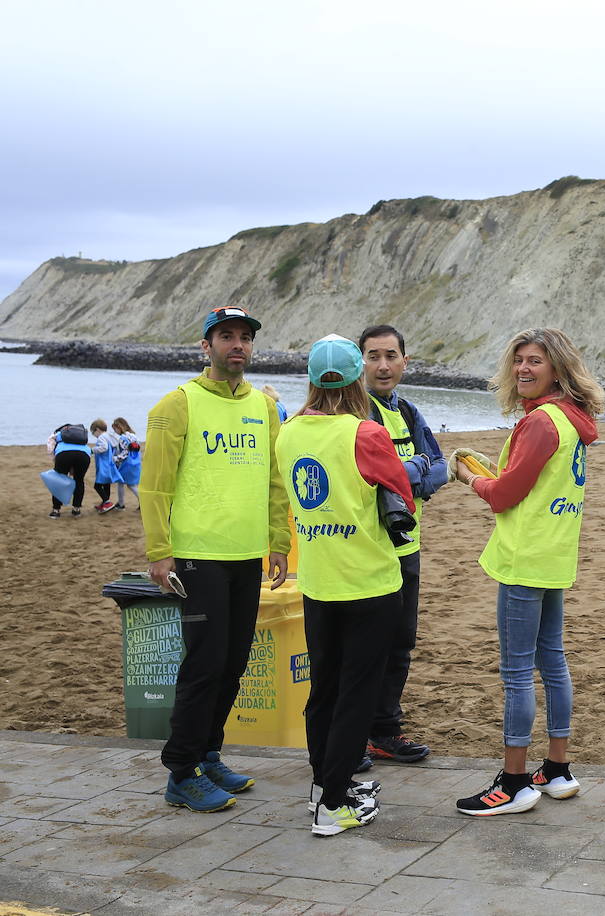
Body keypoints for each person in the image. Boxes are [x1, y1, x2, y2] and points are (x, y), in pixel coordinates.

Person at [141, 306, 290, 813]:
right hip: (196, 557)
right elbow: (155, 484)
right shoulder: (177, 403)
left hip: (246, 555)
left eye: (245, 337)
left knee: (233, 664)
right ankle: (181, 772)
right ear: (206, 346)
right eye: (226, 336)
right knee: (204, 665)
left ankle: (209, 755)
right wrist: (160, 552)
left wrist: (278, 541)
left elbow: (274, 479)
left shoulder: (264, 407)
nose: (237, 345)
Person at [451, 327, 604, 816]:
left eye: (534, 361)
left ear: (557, 368)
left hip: (525, 557)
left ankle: (515, 780)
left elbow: (504, 495)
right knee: (552, 661)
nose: (523, 369)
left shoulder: (541, 423)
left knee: (518, 670)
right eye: (518, 360)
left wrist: (469, 475)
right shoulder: (572, 420)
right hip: (555, 554)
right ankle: (556, 768)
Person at [278, 335, 413, 836]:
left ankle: (322, 786)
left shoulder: (288, 433)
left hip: (318, 581)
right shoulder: (365, 433)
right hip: (369, 582)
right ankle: (333, 803)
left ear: (312, 380)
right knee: (357, 694)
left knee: (323, 692)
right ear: (358, 376)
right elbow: (403, 495)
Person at [358, 324, 450, 767]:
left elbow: (440, 469)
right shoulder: (356, 413)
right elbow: (368, 474)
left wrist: (406, 471)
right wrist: (412, 470)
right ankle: (353, 736)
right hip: (365, 550)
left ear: (404, 362)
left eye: (391, 355)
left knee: (400, 644)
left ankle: (384, 731)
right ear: (360, 363)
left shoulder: (408, 412)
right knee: (364, 647)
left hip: (407, 546)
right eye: (373, 356)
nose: (382, 365)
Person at [46, 423, 91, 518]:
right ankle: (76, 509)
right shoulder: (80, 435)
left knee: (58, 481)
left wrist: (55, 459)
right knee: (79, 480)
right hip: (84, 455)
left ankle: (56, 510)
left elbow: (50, 447)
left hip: (63, 454)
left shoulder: (59, 434)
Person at [89, 419, 123, 514]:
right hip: (109, 463)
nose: (94, 435)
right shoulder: (109, 436)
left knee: (97, 485)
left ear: (98, 430)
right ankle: (105, 502)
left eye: (93, 432)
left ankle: (107, 502)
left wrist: (92, 450)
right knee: (106, 484)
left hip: (104, 464)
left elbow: (104, 447)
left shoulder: (101, 437)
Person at [111, 417, 141, 509]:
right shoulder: (134, 436)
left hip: (127, 464)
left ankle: (121, 504)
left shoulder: (123, 438)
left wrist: (115, 458)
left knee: (125, 484)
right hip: (136, 463)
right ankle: (121, 503)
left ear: (119, 427)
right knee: (131, 484)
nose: (115, 432)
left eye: (115, 429)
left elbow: (125, 452)